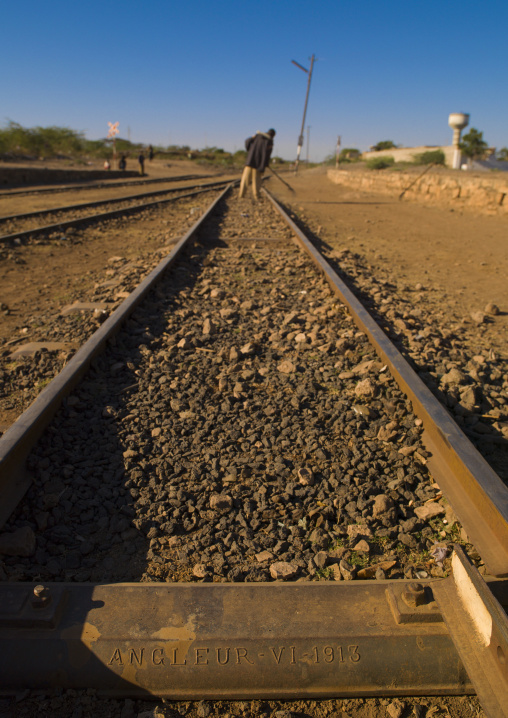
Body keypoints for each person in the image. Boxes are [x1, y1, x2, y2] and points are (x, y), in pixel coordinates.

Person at [239, 129, 276, 200]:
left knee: (245, 179)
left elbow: (247, 141)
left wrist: (250, 150)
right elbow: (268, 154)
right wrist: (266, 164)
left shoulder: (257, 136)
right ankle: (256, 196)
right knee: (256, 180)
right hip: (258, 164)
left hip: (249, 161)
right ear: (273, 135)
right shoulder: (270, 141)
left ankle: (241, 194)